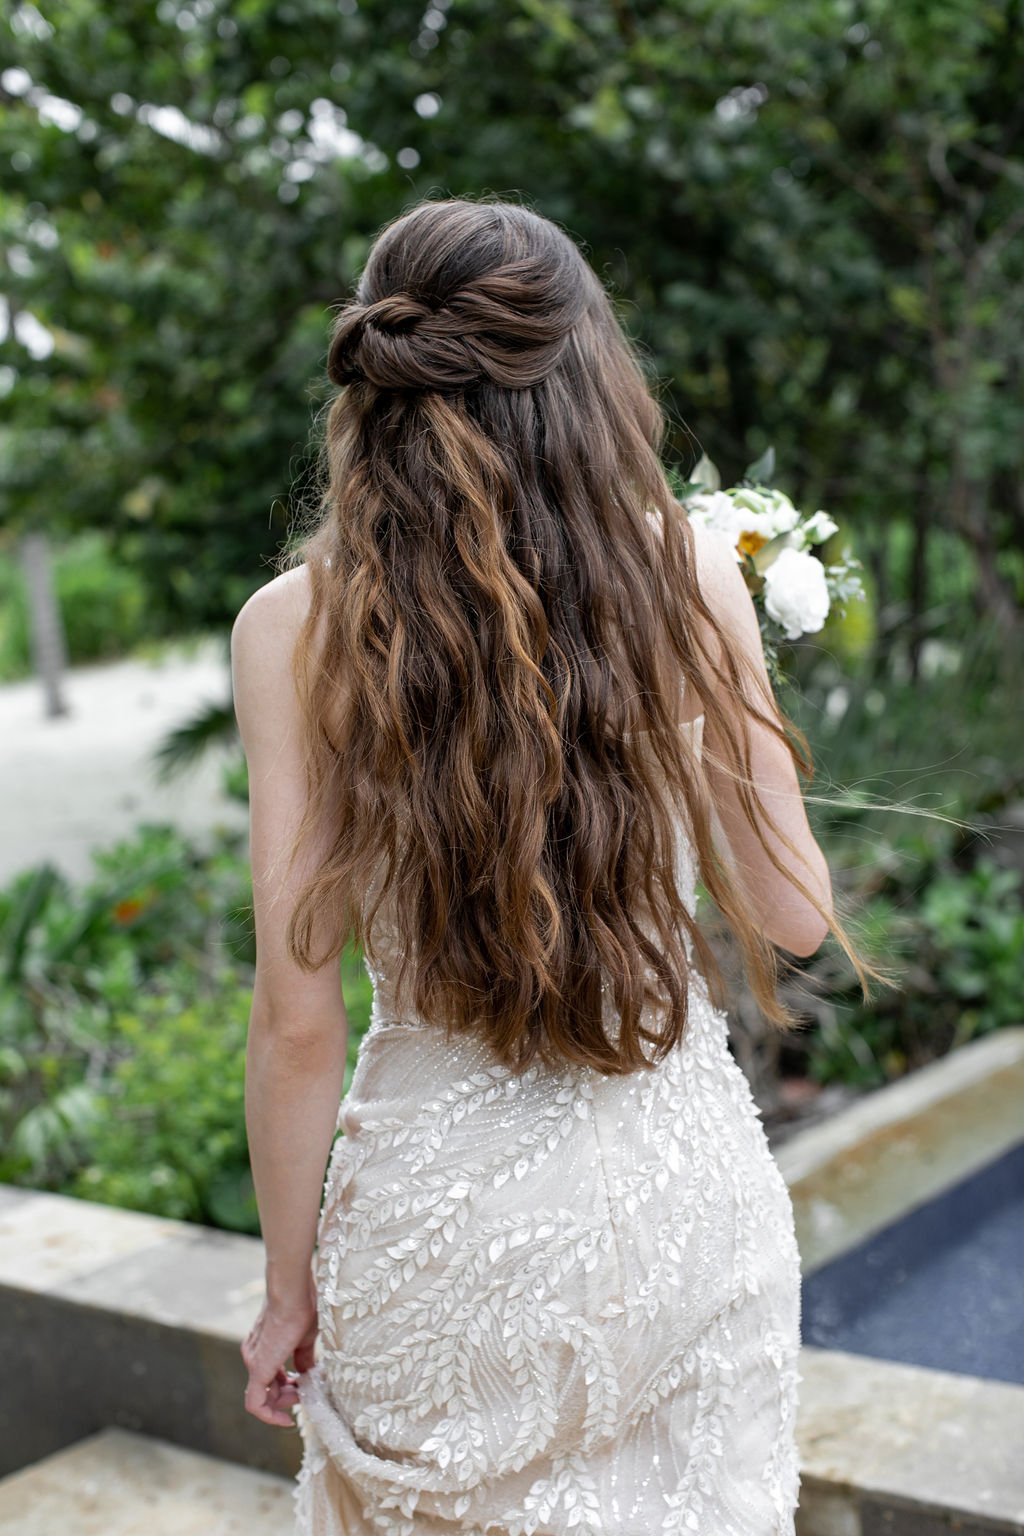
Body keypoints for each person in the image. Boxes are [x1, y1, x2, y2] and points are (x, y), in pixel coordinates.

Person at [231, 196, 873, 1536]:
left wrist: (288, 1293)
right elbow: (792, 915)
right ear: (587, 380)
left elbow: (298, 1023)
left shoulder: (291, 631)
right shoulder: (691, 576)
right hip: (674, 1213)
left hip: (432, 1230)